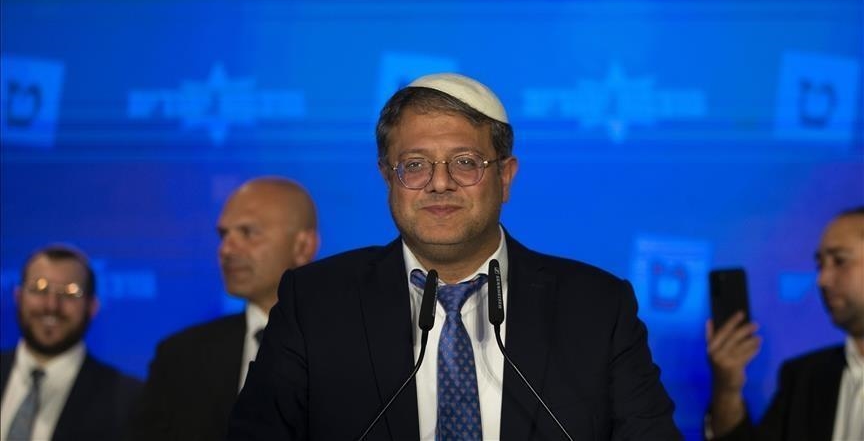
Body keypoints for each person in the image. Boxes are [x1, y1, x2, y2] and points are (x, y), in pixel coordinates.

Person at [228, 73, 681, 440]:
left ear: (505, 177)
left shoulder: (596, 307)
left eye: (465, 162)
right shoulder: (316, 303)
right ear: (387, 178)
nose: (440, 183)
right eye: (415, 165)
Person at [126, 176, 319, 441]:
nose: (226, 250)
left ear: (303, 246)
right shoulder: (179, 357)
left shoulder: (349, 347)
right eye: (223, 235)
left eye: (248, 232)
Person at [705, 206, 864, 440]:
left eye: (839, 261)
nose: (822, 280)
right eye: (820, 265)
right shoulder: (804, 379)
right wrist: (727, 389)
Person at [0, 244, 143, 441]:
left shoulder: (127, 401)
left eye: (70, 292)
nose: (51, 305)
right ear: (18, 297)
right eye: (39, 289)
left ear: (92, 306)